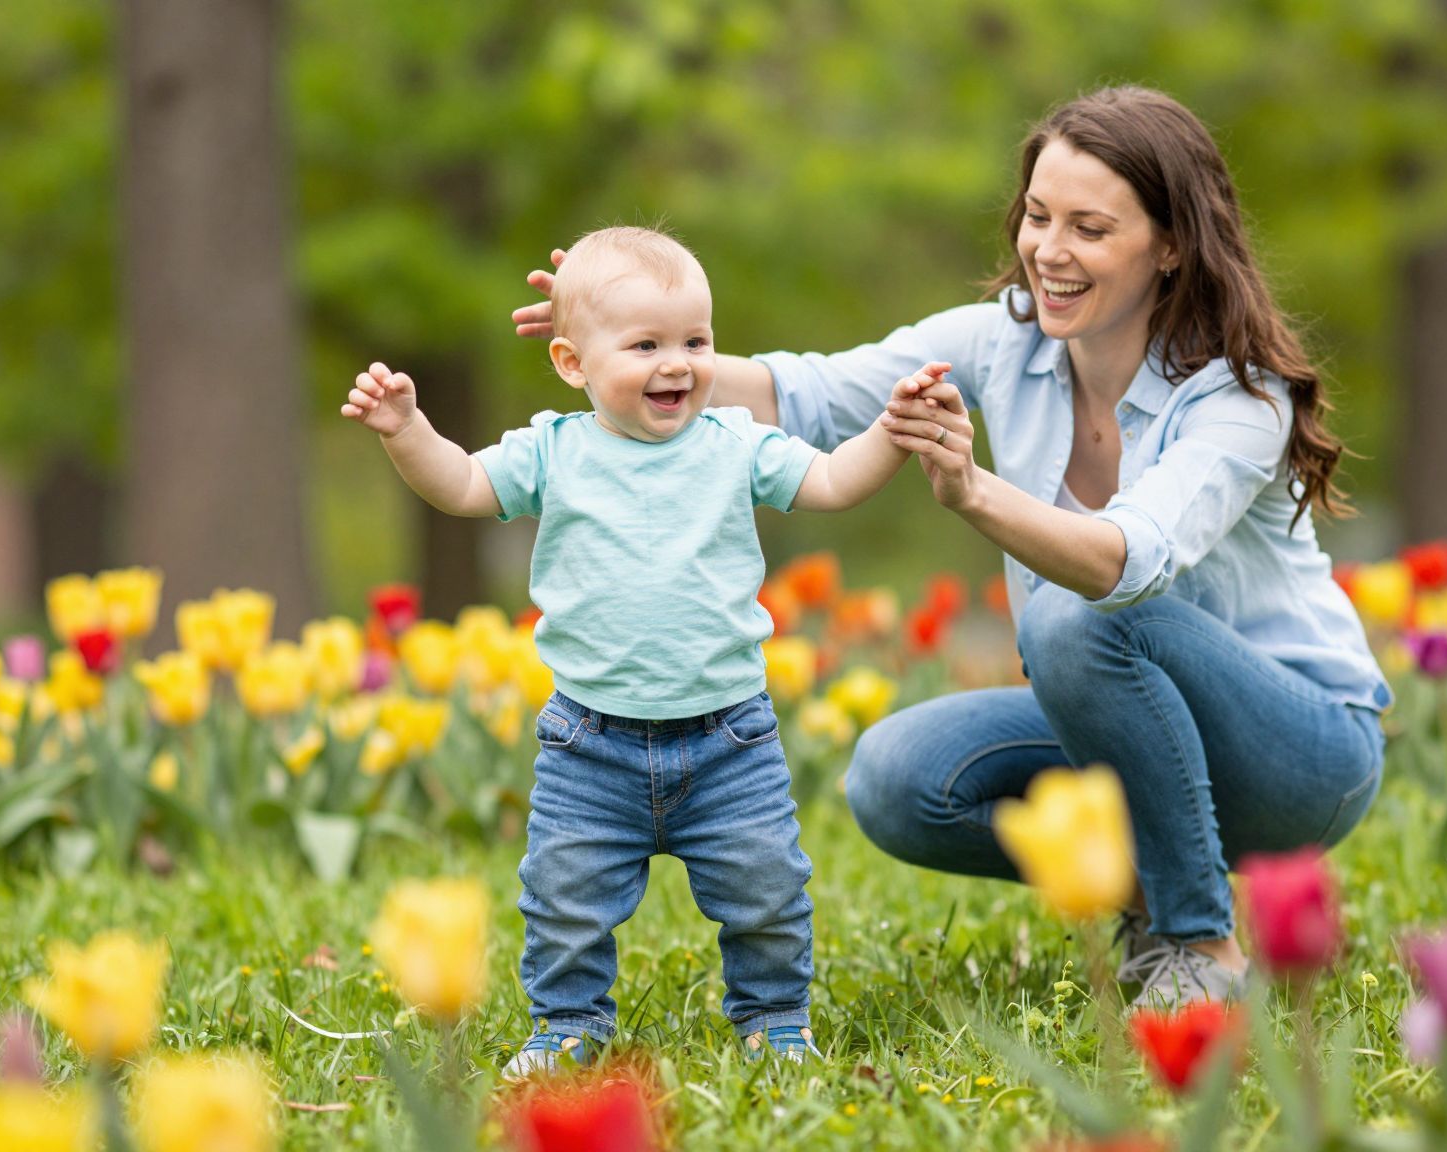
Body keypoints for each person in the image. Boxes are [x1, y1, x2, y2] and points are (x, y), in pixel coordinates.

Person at [511, 88, 1391, 1008]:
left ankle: (1197, 946)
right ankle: (1159, 890)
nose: (1050, 250)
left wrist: (974, 492)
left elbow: (1123, 563)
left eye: (1090, 228)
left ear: (1171, 245)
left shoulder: (1234, 399)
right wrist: (624, 336)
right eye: (1039, 217)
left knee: (1076, 619)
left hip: (1299, 754)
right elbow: (808, 395)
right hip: (1137, 730)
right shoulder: (1003, 341)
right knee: (898, 780)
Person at [345, 225, 931, 1075]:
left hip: (730, 738)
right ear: (573, 365)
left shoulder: (737, 442)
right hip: (591, 741)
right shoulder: (555, 449)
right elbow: (464, 485)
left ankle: (773, 1017)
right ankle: (567, 1023)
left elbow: (836, 481)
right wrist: (406, 431)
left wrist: (892, 428)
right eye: (647, 344)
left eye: (697, 340)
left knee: (768, 889)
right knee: (563, 900)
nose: (679, 363)